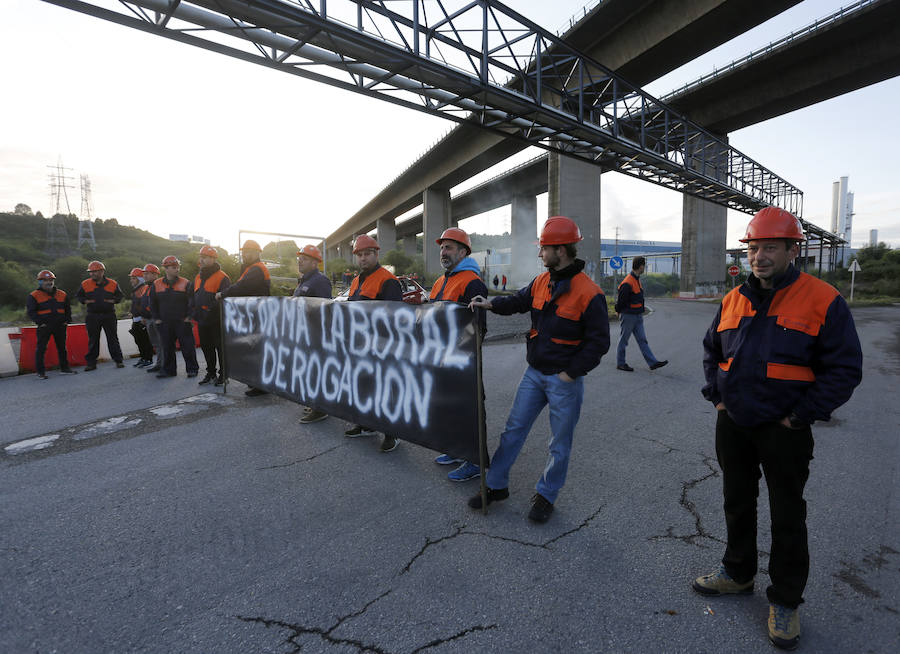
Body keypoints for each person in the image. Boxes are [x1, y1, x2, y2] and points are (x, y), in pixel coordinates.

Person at [692, 207, 863, 650]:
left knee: (787, 515)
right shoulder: (734, 299)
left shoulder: (822, 299)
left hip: (784, 428)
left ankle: (785, 599)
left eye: (770, 247)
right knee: (736, 501)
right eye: (753, 247)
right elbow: (712, 351)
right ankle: (738, 573)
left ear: (792, 249)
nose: (759, 256)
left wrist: (800, 415)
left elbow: (844, 369)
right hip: (734, 421)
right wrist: (719, 397)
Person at [467, 216, 610, 523]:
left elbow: (598, 343)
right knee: (513, 432)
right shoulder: (541, 281)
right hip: (534, 374)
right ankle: (495, 486)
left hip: (564, 380)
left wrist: (570, 373)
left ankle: (547, 495)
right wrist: (489, 304)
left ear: (561, 249)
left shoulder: (590, 293)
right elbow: (519, 301)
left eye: (544, 248)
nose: (539, 254)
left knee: (559, 444)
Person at [429, 227, 489, 482]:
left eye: (449, 247)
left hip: (462, 359)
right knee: (449, 407)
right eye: (442, 247)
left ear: (463, 252)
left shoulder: (472, 282)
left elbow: (479, 327)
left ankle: (475, 460)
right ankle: (456, 450)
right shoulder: (441, 281)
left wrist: (461, 355)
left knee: (470, 409)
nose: (443, 252)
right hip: (440, 355)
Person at [343, 234, 403, 453]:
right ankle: (366, 425)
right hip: (360, 345)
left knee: (385, 390)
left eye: (367, 254)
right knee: (363, 387)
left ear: (376, 254)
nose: (363, 258)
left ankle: (392, 434)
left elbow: (396, 319)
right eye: (359, 255)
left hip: (381, 347)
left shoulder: (388, 280)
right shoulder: (357, 281)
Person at [217, 239, 271, 396]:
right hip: (252, 315)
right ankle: (256, 381)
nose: (245, 254)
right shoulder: (249, 268)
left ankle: (261, 385)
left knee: (256, 349)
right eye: (244, 251)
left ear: (257, 253)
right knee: (252, 348)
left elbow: (241, 287)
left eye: (248, 251)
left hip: (258, 315)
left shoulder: (256, 269)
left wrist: (223, 294)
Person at [294, 244, 334, 424]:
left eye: (304, 259)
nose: (300, 261)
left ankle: (321, 409)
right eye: (299, 258)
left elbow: (326, 309)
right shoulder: (304, 280)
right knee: (310, 370)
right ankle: (315, 403)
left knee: (317, 371)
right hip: (305, 333)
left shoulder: (320, 281)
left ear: (315, 262)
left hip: (316, 334)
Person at [614, 256, 667, 372]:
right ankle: (620, 363)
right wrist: (618, 311)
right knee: (624, 340)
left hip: (637, 316)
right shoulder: (628, 282)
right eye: (644, 265)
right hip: (628, 316)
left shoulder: (636, 279)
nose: (645, 267)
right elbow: (621, 301)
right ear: (641, 266)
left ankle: (652, 363)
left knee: (642, 340)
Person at [149, 255, 199, 379]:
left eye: (177, 267)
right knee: (167, 347)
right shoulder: (156, 284)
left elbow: (192, 302)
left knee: (187, 347)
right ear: (166, 269)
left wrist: (189, 317)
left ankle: (192, 369)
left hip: (182, 321)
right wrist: (157, 319)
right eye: (173, 267)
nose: (176, 269)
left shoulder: (186, 283)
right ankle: (169, 370)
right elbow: (152, 303)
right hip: (164, 322)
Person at [75, 260, 125, 371]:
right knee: (93, 340)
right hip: (92, 316)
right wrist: (85, 301)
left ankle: (118, 361)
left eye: (95, 271)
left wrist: (113, 301)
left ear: (102, 271)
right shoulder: (85, 284)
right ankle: (91, 364)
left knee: (112, 339)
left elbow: (120, 296)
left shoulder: (113, 283)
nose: (92, 274)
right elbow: (79, 296)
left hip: (109, 315)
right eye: (91, 272)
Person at [26, 269, 75, 379]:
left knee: (62, 348)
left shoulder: (62, 294)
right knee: (41, 349)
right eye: (45, 280)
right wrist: (40, 323)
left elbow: (68, 309)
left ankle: (65, 369)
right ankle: (40, 372)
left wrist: (67, 320)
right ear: (40, 282)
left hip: (60, 326)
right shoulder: (34, 295)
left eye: (50, 280)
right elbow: (31, 312)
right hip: (45, 327)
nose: (49, 282)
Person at [193, 245, 231, 385]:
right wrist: (194, 311)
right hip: (202, 319)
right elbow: (194, 295)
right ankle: (210, 372)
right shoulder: (198, 276)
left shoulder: (222, 277)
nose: (201, 260)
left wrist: (209, 309)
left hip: (216, 319)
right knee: (206, 347)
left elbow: (225, 299)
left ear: (213, 259)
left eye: (204, 257)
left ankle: (224, 375)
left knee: (220, 348)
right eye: (201, 257)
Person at [127, 267, 155, 367]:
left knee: (144, 340)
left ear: (140, 279)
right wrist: (132, 312)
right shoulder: (136, 290)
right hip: (136, 319)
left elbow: (145, 304)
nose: (131, 280)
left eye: (134, 278)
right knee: (138, 340)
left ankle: (148, 359)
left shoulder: (143, 289)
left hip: (142, 320)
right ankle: (143, 358)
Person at [140, 263, 162, 372]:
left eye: (147, 274)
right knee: (155, 343)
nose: (145, 276)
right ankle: (159, 363)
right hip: (148, 319)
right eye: (144, 274)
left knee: (161, 343)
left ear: (155, 275)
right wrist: (143, 316)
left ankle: (163, 364)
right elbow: (144, 303)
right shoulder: (146, 287)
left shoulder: (159, 286)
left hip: (157, 319)